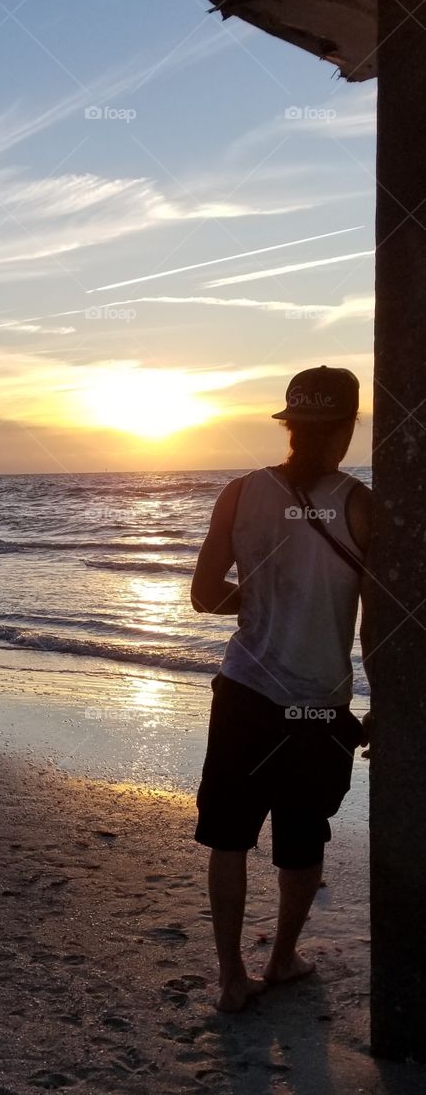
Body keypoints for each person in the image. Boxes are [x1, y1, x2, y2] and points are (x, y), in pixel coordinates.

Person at [190, 365, 372, 1012]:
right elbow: (377, 622)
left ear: (288, 425)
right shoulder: (359, 504)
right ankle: (281, 958)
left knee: (228, 835)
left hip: (241, 695)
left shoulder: (238, 493)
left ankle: (231, 977)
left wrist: (261, 603)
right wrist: (383, 707)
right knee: (302, 836)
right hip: (316, 708)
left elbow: (203, 596)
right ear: (346, 427)